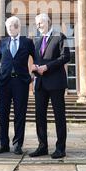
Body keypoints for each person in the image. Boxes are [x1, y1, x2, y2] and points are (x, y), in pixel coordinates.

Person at [29, 13, 70, 159]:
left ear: (48, 22)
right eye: (37, 23)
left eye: (40, 23)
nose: (38, 26)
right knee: (40, 116)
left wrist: (47, 67)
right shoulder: (38, 41)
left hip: (56, 83)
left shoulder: (60, 37)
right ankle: (42, 146)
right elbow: (37, 60)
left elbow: (66, 56)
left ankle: (60, 148)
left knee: (59, 116)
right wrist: (34, 68)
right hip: (40, 84)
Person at [0, 16, 35, 155]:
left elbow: (37, 58)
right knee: (2, 114)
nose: (8, 29)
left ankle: (17, 145)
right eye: (7, 26)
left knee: (19, 114)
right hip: (4, 82)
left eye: (11, 26)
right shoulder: (3, 42)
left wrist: (33, 74)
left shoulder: (27, 42)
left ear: (17, 27)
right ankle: (3, 144)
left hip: (20, 83)